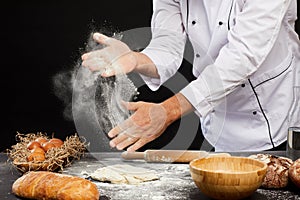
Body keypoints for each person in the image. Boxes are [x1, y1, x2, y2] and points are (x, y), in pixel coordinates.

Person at [82, 0, 300, 152]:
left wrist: (167, 111)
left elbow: (242, 57)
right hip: (218, 117)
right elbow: (167, 45)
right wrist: (136, 59)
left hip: (271, 112)